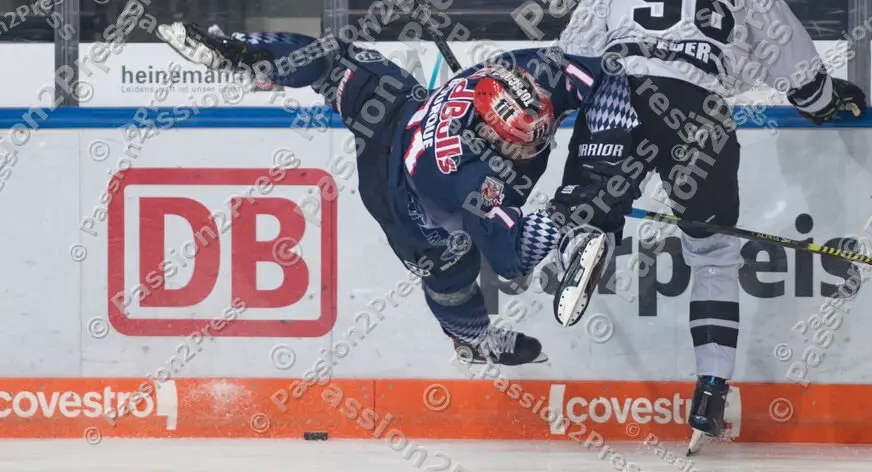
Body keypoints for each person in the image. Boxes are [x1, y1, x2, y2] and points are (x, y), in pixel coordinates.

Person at [545, 0, 868, 452]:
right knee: (713, 253)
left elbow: (573, 62)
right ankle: (712, 390)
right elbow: (805, 79)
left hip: (623, 90)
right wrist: (831, 102)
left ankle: (589, 233)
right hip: (701, 109)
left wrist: (550, 111)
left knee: (585, 206)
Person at [154, 21, 611, 366]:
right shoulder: (464, 177)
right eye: (519, 142)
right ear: (489, 139)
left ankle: (243, 52)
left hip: (397, 107)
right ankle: (473, 341)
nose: (534, 144)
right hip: (401, 196)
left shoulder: (523, 72)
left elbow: (601, 73)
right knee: (452, 271)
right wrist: (564, 223)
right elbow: (511, 260)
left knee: (335, 59)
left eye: (541, 131)